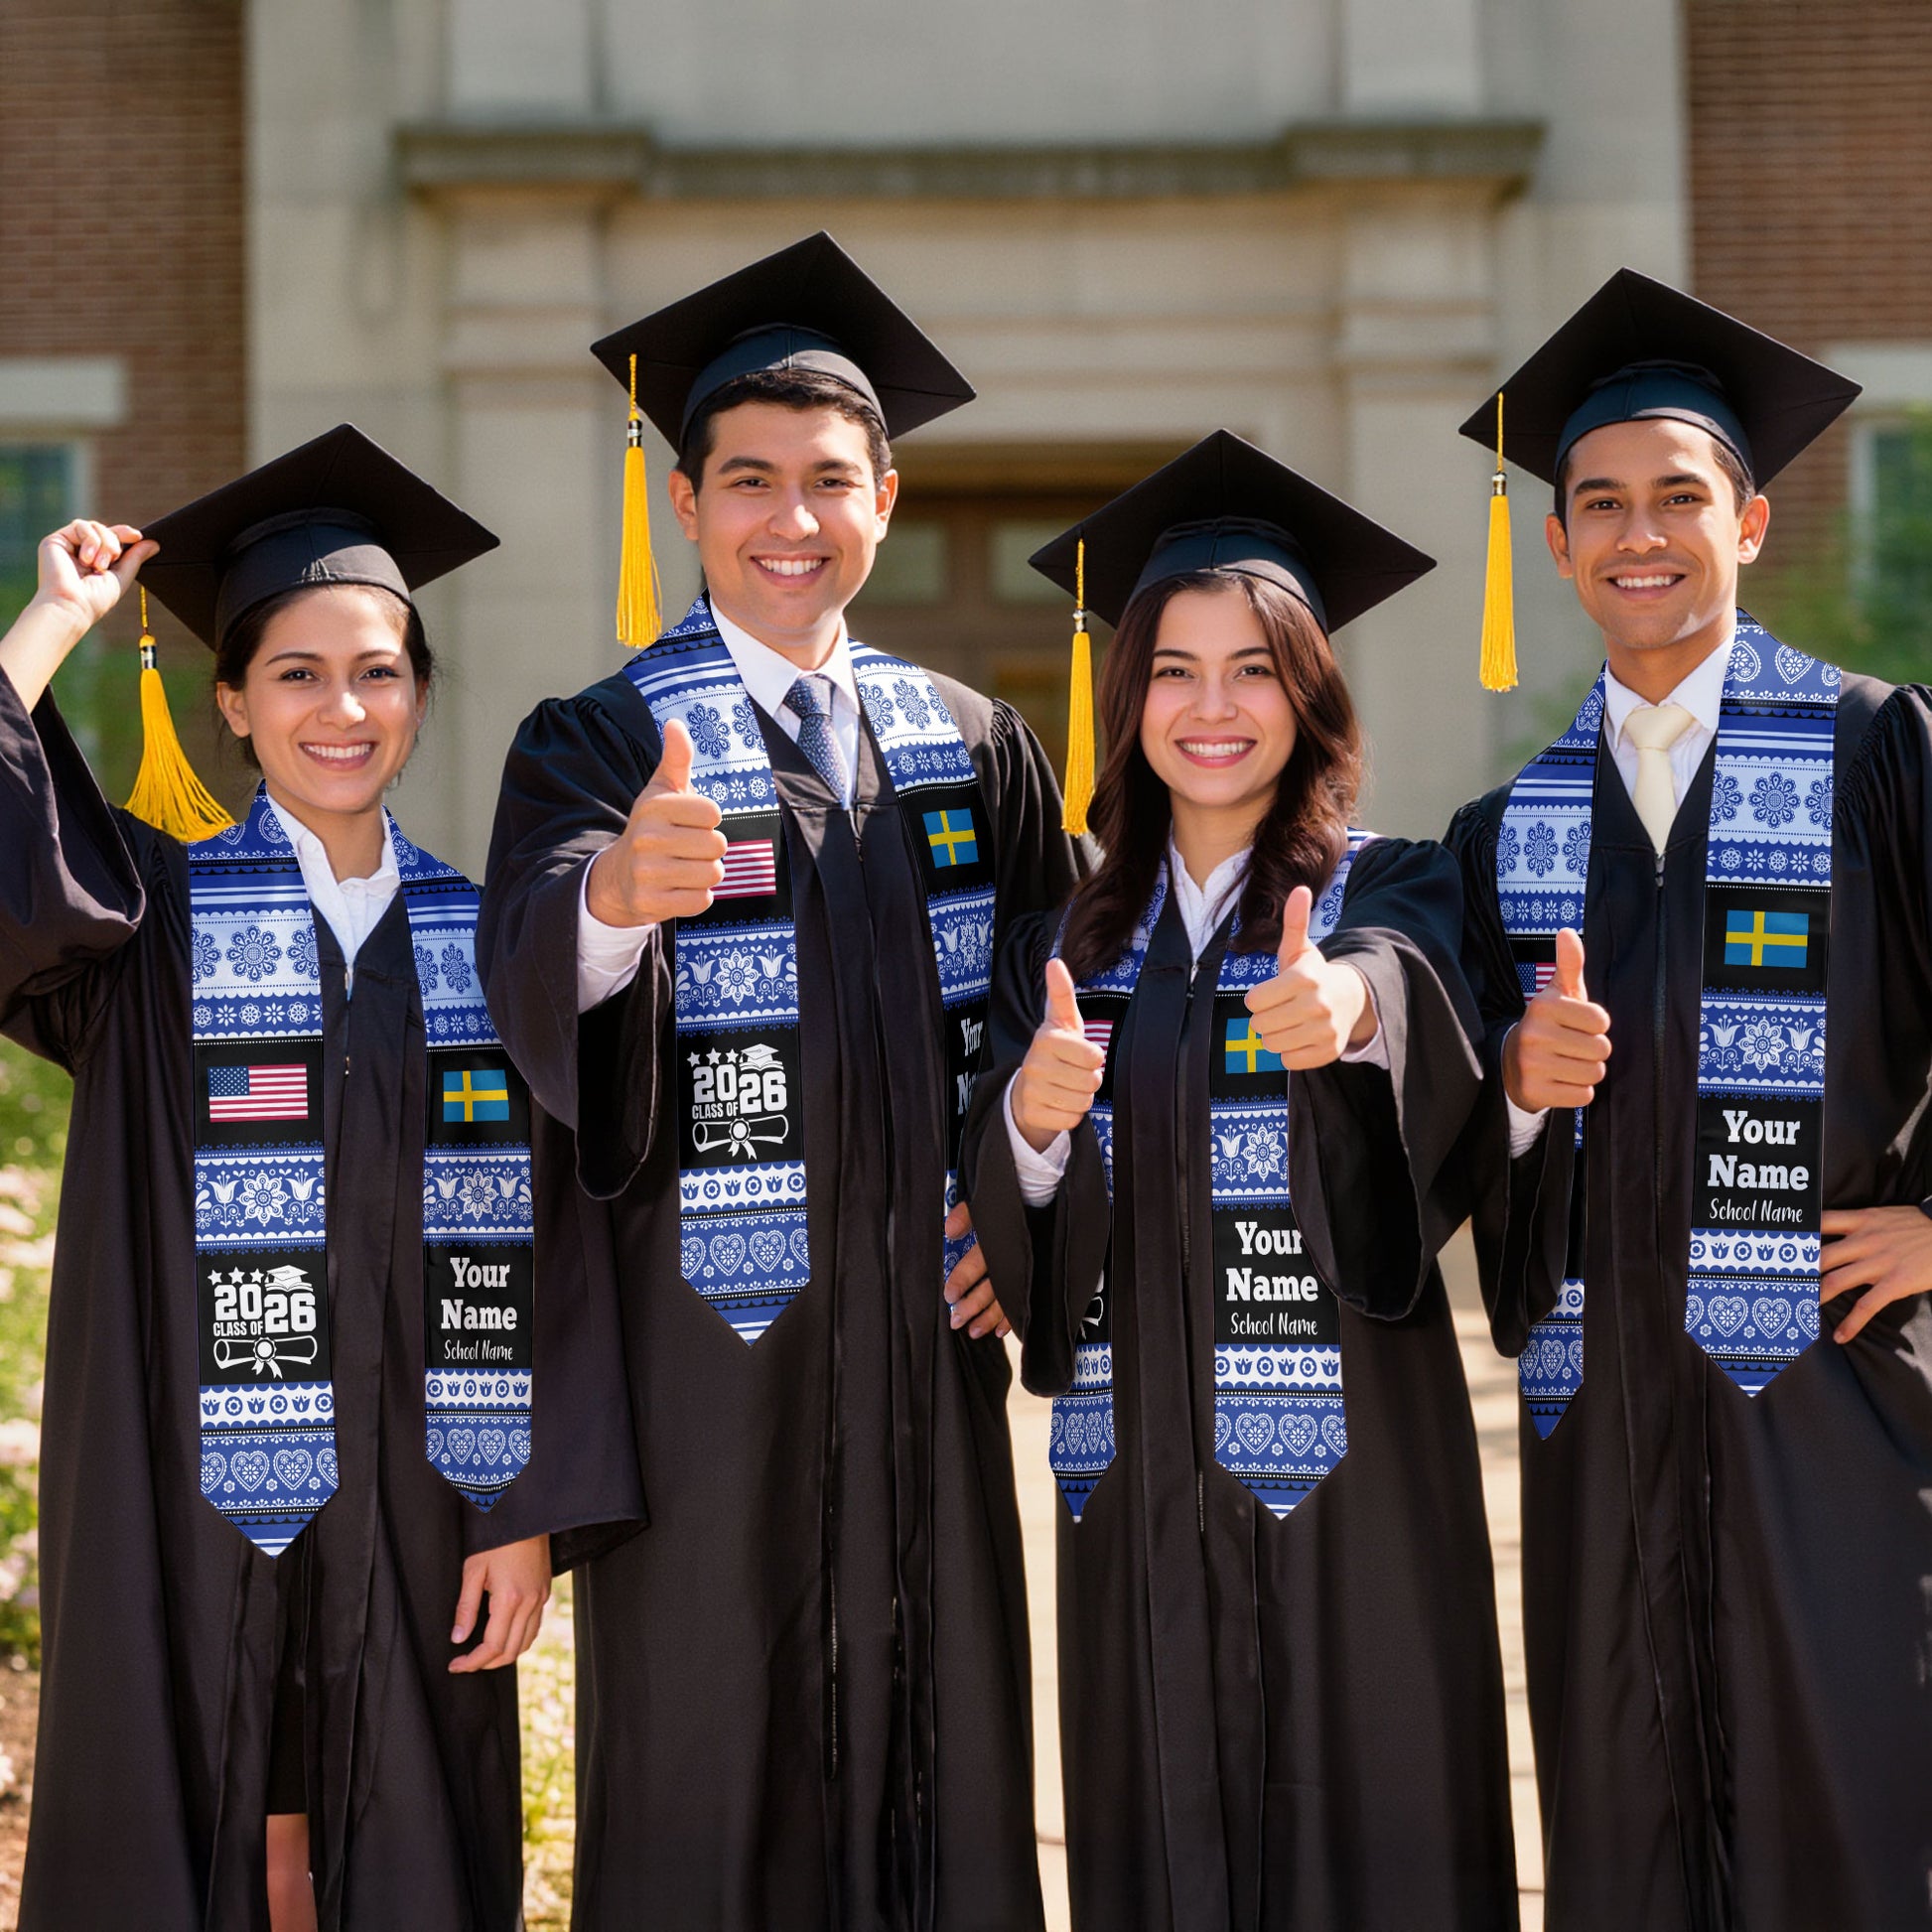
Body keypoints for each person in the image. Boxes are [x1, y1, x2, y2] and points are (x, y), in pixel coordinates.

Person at [479, 232, 1082, 1931]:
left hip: (923, 1357)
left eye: (828, 480)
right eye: (748, 480)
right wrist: (613, 899)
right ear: (684, 504)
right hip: (705, 1369)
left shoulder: (972, 742)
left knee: (938, 1747)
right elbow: (527, 961)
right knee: (709, 1760)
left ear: (885, 497)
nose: (789, 518)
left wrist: (1020, 1208)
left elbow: (1063, 1004)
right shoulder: (602, 739)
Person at [0, 426, 639, 1931]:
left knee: (405, 1834)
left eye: (378, 672)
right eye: (296, 673)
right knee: (189, 1805)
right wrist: (52, 622)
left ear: (418, 694)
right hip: (178, 1484)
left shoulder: (491, 941)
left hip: (425, 1494)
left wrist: (525, 1509)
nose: (341, 709)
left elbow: (561, 1248)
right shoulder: (147, 924)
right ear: (231, 701)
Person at [960, 431, 1518, 1932]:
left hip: (1353, 1472)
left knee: (1374, 1827)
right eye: (1174, 670)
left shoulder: (1392, 882)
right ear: (1125, 697)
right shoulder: (1062, 945)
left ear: (1310, 692)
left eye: (1254, 670)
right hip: (1137, 1473)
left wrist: (1349, 1012)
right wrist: (1028, 1126)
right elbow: (1014, 1216)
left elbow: (1410, 995)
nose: (1212, 708)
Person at [1447, 269, 1932, 1931]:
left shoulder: (1877, 754)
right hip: (1604, 1428)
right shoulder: (1507, 831)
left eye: (1676, 497)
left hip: (1833, 1400)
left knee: (1851, 1811)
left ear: (1750, 522)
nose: (1636, 533)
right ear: (1556, 541)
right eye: (1597, 503)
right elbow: (1449, 1137)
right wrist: (1514, 1093)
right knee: (1625, 1822)